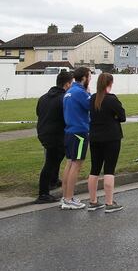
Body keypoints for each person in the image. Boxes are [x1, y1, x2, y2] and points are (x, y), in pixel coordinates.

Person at [87, 73, 126, 213]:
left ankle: (93, 201)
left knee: (94, 169)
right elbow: (122, 117)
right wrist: (113, 116)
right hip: (111, 137)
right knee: (109, 169)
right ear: (110, 83)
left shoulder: (92, 98)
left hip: (95, 137)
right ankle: (109, 203)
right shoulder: (112, 99)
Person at [34, 71, 73, 204]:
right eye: (72, 83)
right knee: (50, 162)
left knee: (55, 158)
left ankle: (53, 180)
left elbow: (39, 113)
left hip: (44, 132)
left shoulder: (44, 97)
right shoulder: (63, 98)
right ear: (67, 84)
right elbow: (67, 117)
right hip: (55, 134)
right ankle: (43, 193)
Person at [61, 67, 92, 210]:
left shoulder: (69, 91)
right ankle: (68, 198)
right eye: (89, 77)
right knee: (76, 165)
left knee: (69, 163)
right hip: (79, 132)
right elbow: (91, 105)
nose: (90, 79)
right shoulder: (80, 92)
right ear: (84, 78)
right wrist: (89, 92)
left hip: (69, 131)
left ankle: (66, 197)